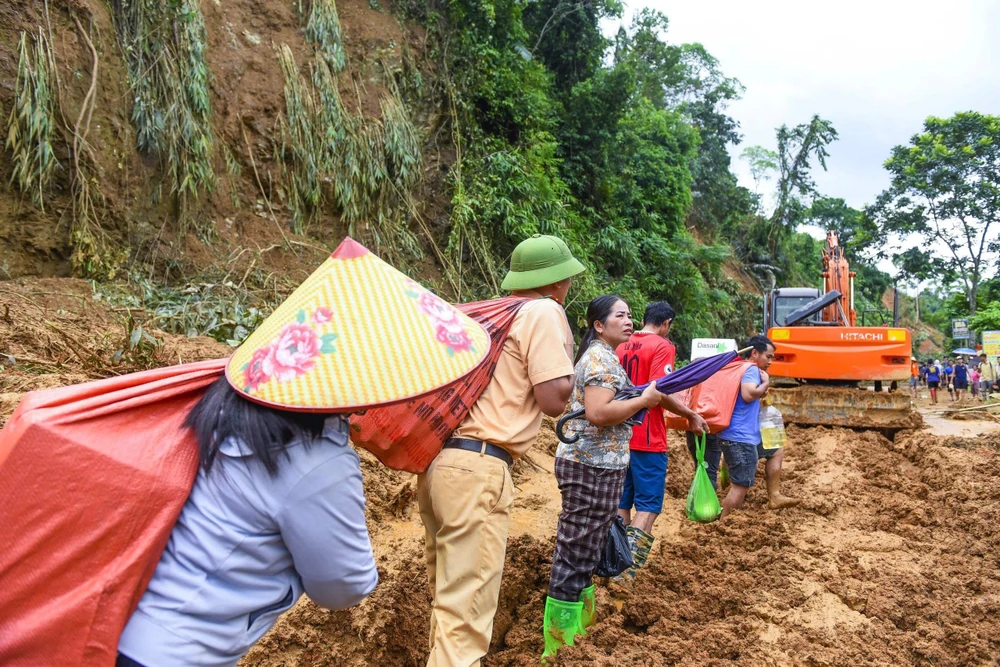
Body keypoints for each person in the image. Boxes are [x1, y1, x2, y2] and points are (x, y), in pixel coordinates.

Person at [116, 377, 378, 667]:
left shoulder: (220, 399)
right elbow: (343, 586)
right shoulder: (319, 462)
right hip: (181, 649)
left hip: (121, 623)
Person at [419, 234, 583, 667]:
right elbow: (553, 399)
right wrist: (568, 358)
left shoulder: (490, 316)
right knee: (467, 618)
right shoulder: (544, 312)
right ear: (559, 282)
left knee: (449, 604)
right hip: (480, 468)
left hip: (439, 464)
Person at [543, 295, 664, 661]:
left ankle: (578, 634)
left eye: (630, 315)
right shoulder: (599, 358)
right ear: (599, 325)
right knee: (576, 552)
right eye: (619, 316)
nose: (628, 321)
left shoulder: (606, 357)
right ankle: (559, 647)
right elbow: (598, 412)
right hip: (589, 466)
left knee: (589, 549)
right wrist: (644, 401)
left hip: (601, 465)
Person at [613, 301, 708, 587]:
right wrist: (690, 414)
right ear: (666, 323)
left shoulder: (621, 344)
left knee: (622, 503)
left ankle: (613, 561)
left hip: (620, 433)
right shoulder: (662, 346)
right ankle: (625, 573)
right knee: (649, 505)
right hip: (648, 435)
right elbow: (660, 390)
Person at [716, 335, 800, 519]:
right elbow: (748, 394)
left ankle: (774, 496)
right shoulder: (751, 369)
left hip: (739, 434)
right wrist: (766, 383)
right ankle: (722, 522)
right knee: (742, 485)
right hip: (740, 437)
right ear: (754, 353)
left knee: (775, 449)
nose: (770, 361)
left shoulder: (740, 367)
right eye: (768, 357)